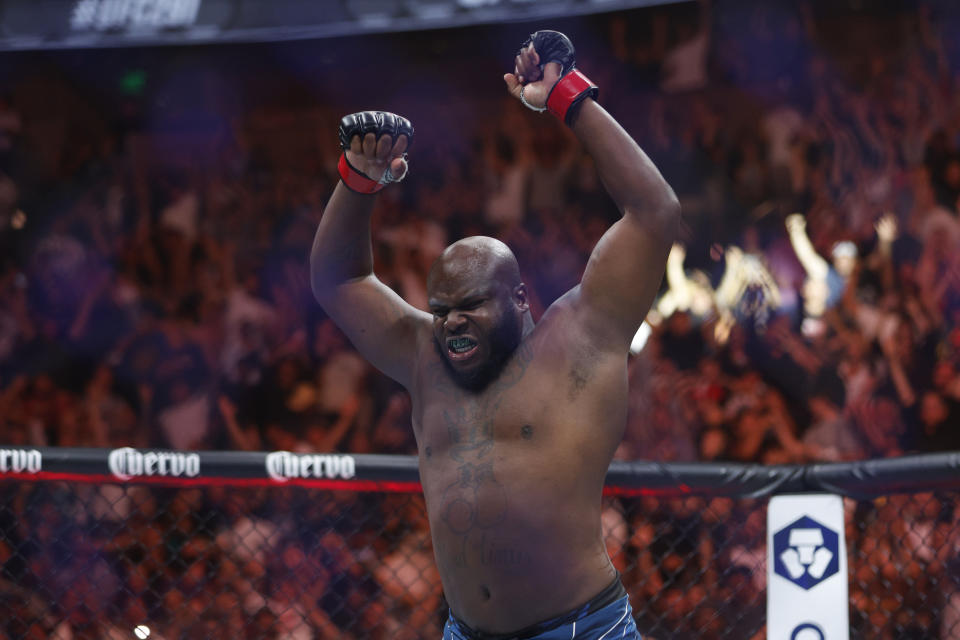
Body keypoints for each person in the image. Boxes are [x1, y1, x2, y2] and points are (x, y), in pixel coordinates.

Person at [310, 30, 678, 640]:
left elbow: (655, 212)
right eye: (443, 307)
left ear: (517, 299)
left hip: (582, 628)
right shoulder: (423, 353)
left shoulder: (579, 338)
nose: (452, 321)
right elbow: (338, 281)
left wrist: (567, 97)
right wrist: (357, 181)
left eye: (471, 306)